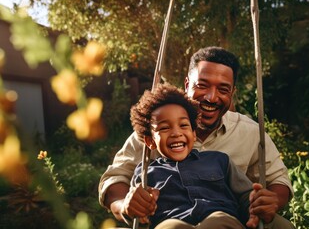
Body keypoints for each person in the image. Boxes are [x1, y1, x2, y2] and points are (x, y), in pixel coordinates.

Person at [99, 46, 294, 228]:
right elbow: (116, 178)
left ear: (233, 93)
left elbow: (277, 180)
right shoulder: (150, 131)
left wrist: (267, 202)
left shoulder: (248, 134)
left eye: (223, 89)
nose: (211, 97)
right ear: (187, 84)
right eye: (202, 85)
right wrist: (126, 204)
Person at [125, 83, 257, 228]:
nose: (176, 133)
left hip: (220, 219)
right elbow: (138, 213)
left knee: (218, 221)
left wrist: (255, 205)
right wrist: (136, 208)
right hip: (170, 221)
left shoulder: (219, 160)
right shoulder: (145, 172)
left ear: (194, 134)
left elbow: (246, 196)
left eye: (183, 125)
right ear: (150, 141)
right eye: (164, 128)